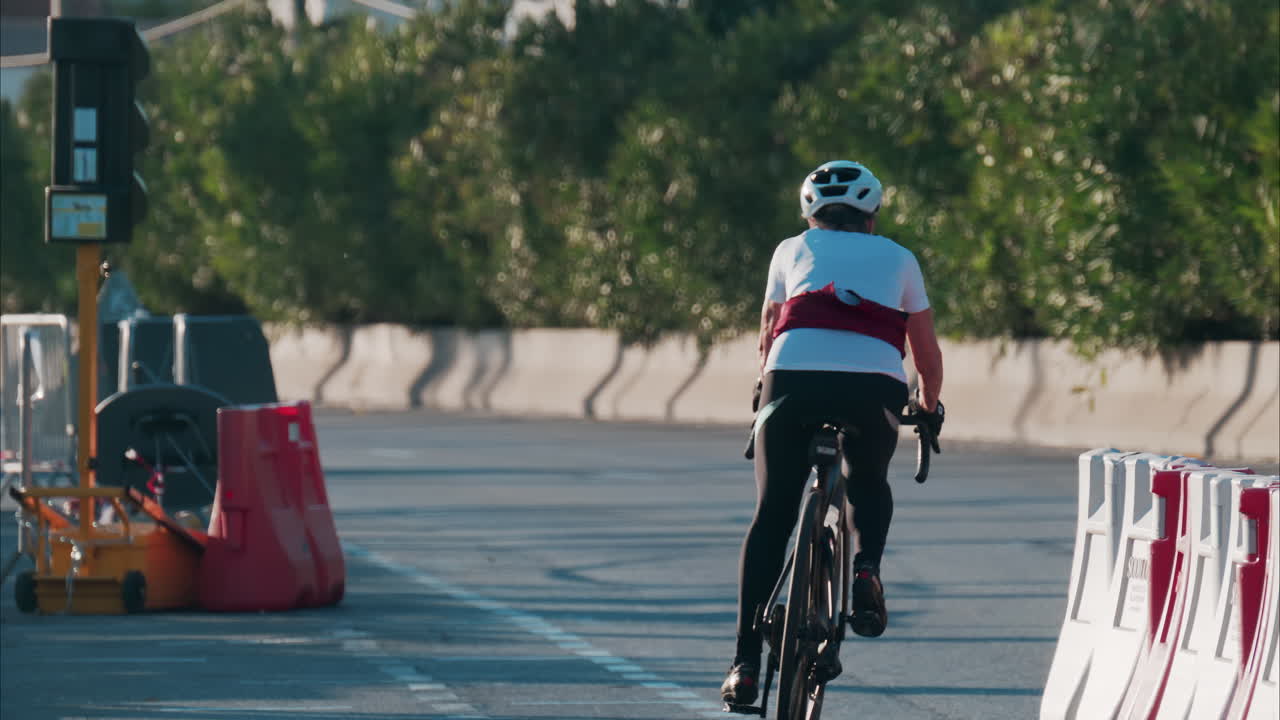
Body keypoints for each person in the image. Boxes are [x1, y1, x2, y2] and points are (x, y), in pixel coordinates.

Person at [721, 160, 945, 706]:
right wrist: (928, 406)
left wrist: (763, 389)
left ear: (810, 213)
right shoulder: (900, 258)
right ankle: (866, 573)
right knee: (867, 478)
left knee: (773, 513)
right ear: (872, 214)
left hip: (792, 379)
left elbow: (770, 331)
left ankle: (745, 665)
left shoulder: (787, 251)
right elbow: (926, 353)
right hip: (873, 389)